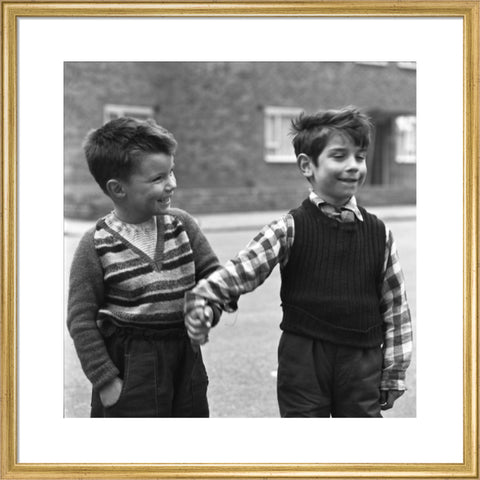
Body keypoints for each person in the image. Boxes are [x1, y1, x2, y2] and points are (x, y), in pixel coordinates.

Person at [185, 106, 413, 417]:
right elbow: (244, 269)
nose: (353, 166)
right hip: (304, 358)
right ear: (307, 165)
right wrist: (205, 296)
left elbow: (395, 306)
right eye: (339, 156)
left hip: (362, 360)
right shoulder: (289, 228)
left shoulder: (379, 233)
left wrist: (394, 371)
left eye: (359, 157)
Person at [67, 117, 221, 417]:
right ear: (118, 189)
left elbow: (215, 277)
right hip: (130, 365)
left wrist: (208, 308)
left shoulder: (183, 226)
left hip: (185, 360)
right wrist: (106, 380)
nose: (172, 184)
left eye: (171, 172)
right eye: (157, 179)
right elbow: (80, 319)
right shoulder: (95, 244)